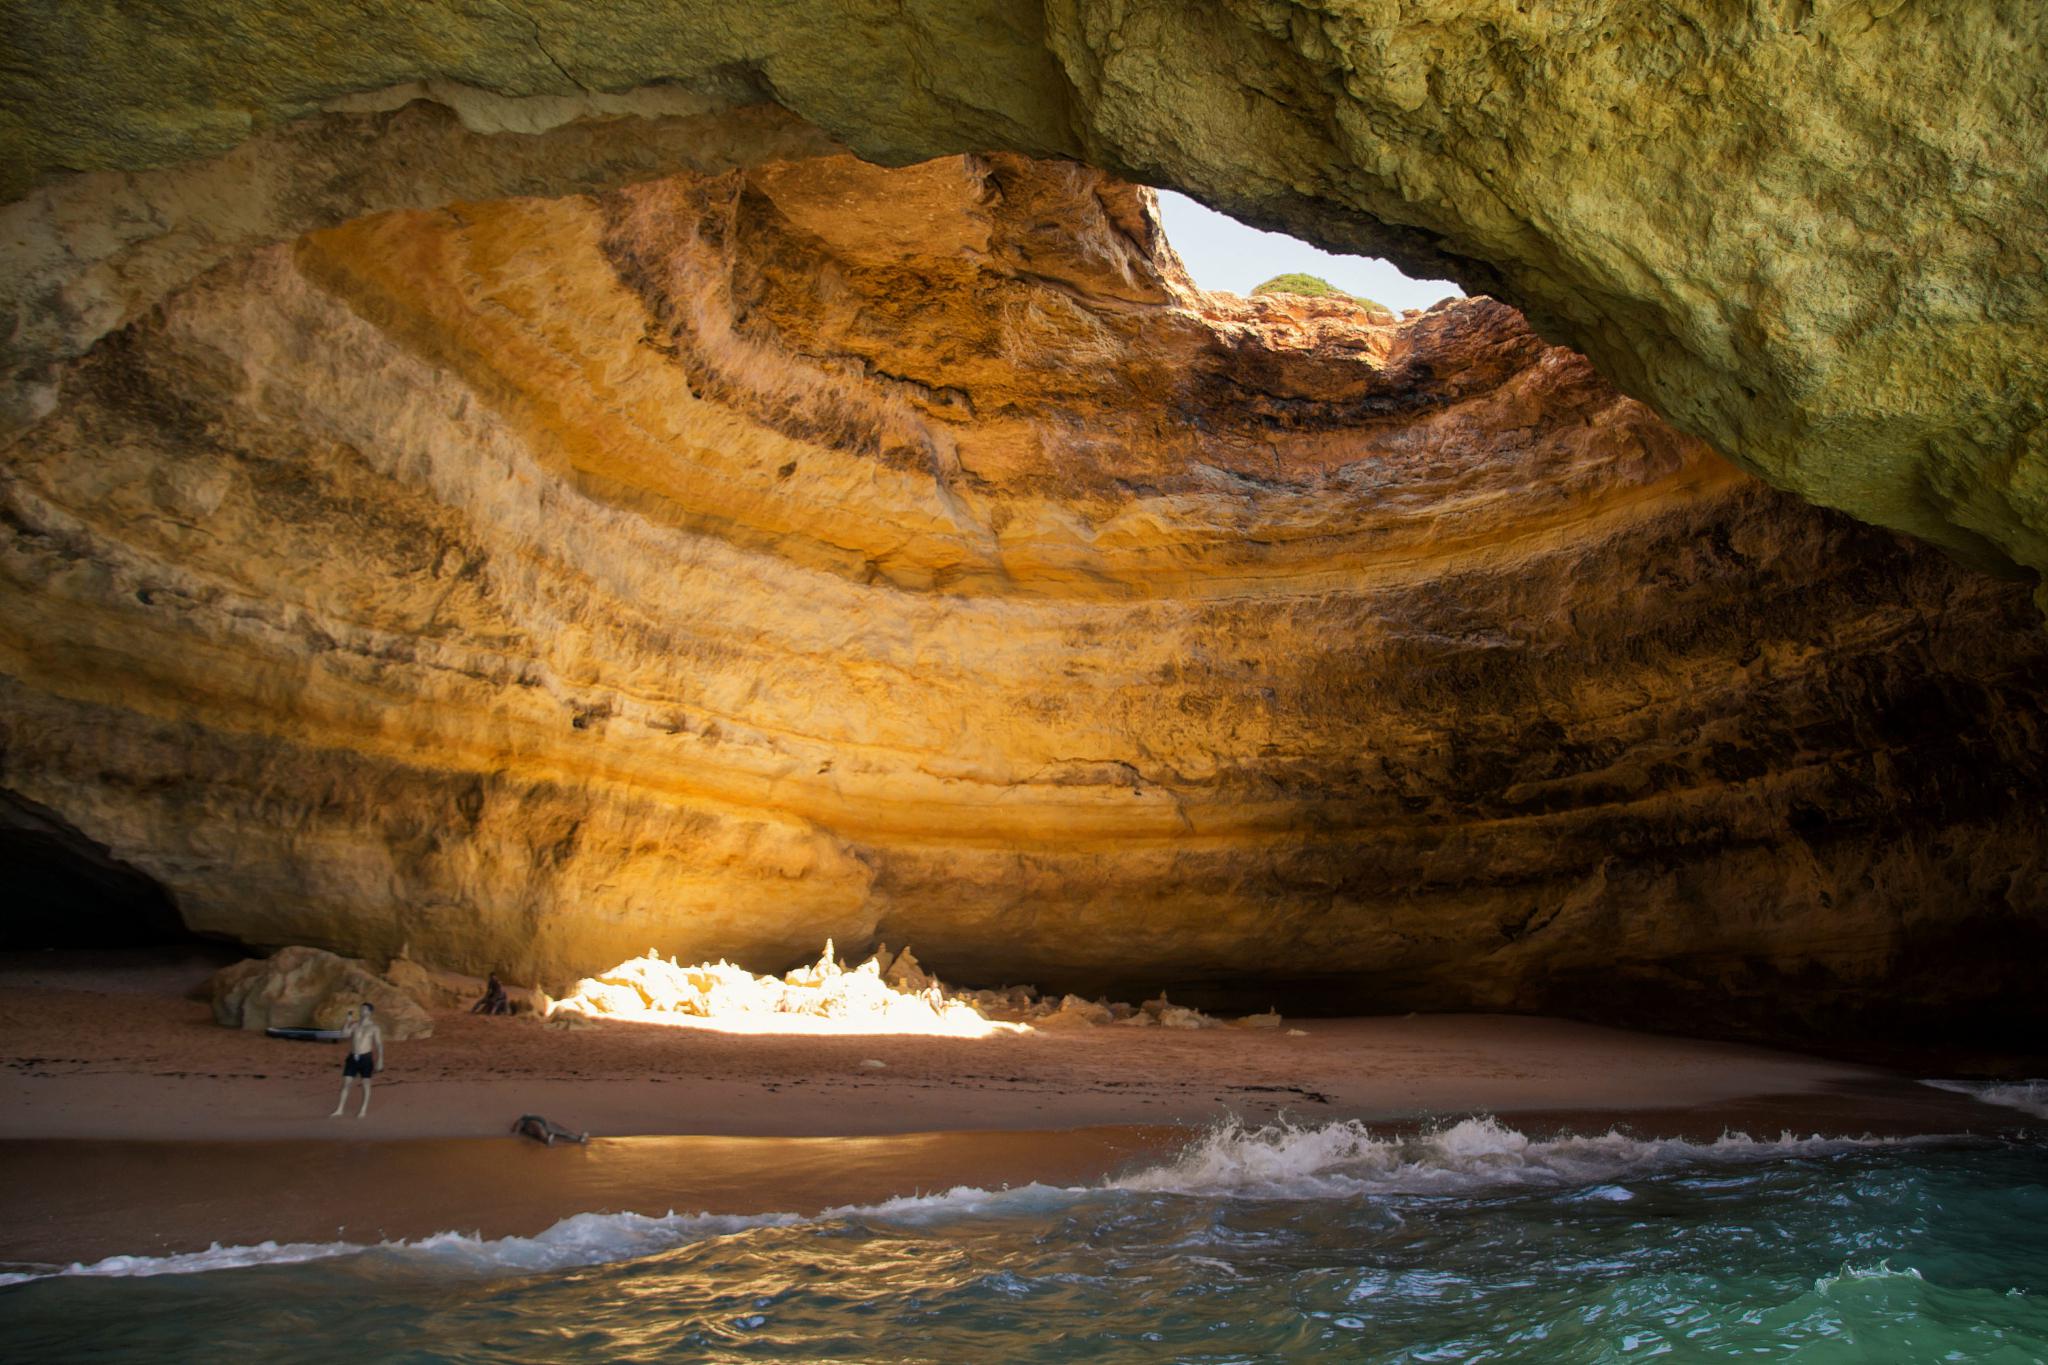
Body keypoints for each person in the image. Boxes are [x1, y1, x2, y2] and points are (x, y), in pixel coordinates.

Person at [329, 1002, 385, 1118]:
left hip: (366, 1058)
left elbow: (379, 1044)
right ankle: (340, 1109)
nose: (361, 1011)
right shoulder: (354, 1025)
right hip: (353, 1057)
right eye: (361, 1009)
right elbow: (344, 1035)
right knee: (346, 1083)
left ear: (369, 1012)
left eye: (364, 1009)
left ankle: (363, 1109)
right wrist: (348, 1021)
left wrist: (380, 1059)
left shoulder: (374, 1027)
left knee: (365, 1083)